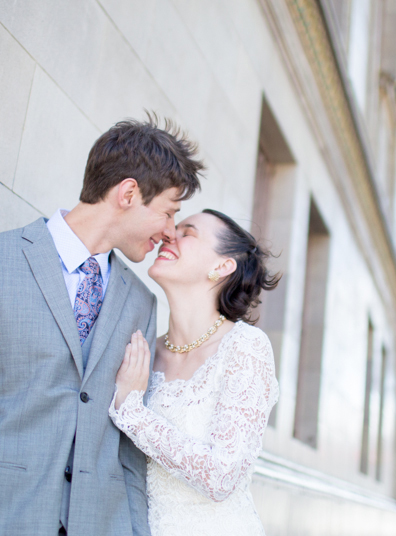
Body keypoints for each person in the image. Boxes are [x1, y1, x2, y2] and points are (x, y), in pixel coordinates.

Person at [0, 117, 204, 536]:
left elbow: (128, 456)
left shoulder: (142, 303)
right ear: (129, 193)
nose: (169, 232)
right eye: (169, 212)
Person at [110, 209, 280, 536]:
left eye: (188, 232)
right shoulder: (145, 348)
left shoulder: (245, 346)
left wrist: (131, 412)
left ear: (221, 266)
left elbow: (221, 476)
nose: (169, 233)